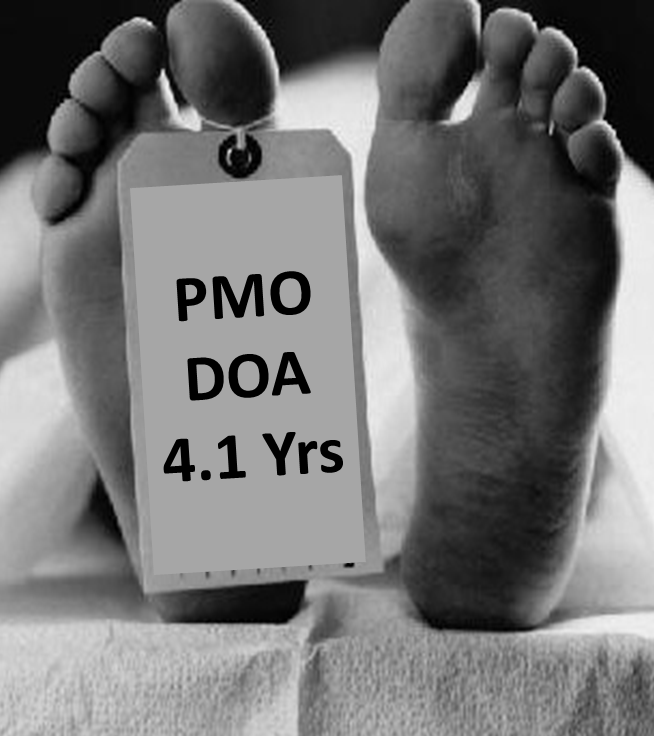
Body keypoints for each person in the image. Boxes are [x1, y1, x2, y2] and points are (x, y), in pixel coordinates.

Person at [31, 0, 622, 629]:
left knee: (54, 399)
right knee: (596, 380)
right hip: (500, 176)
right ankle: (506, 528)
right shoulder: (525, 132)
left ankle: (205, 519)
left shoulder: (129, 152)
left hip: (229, 204)